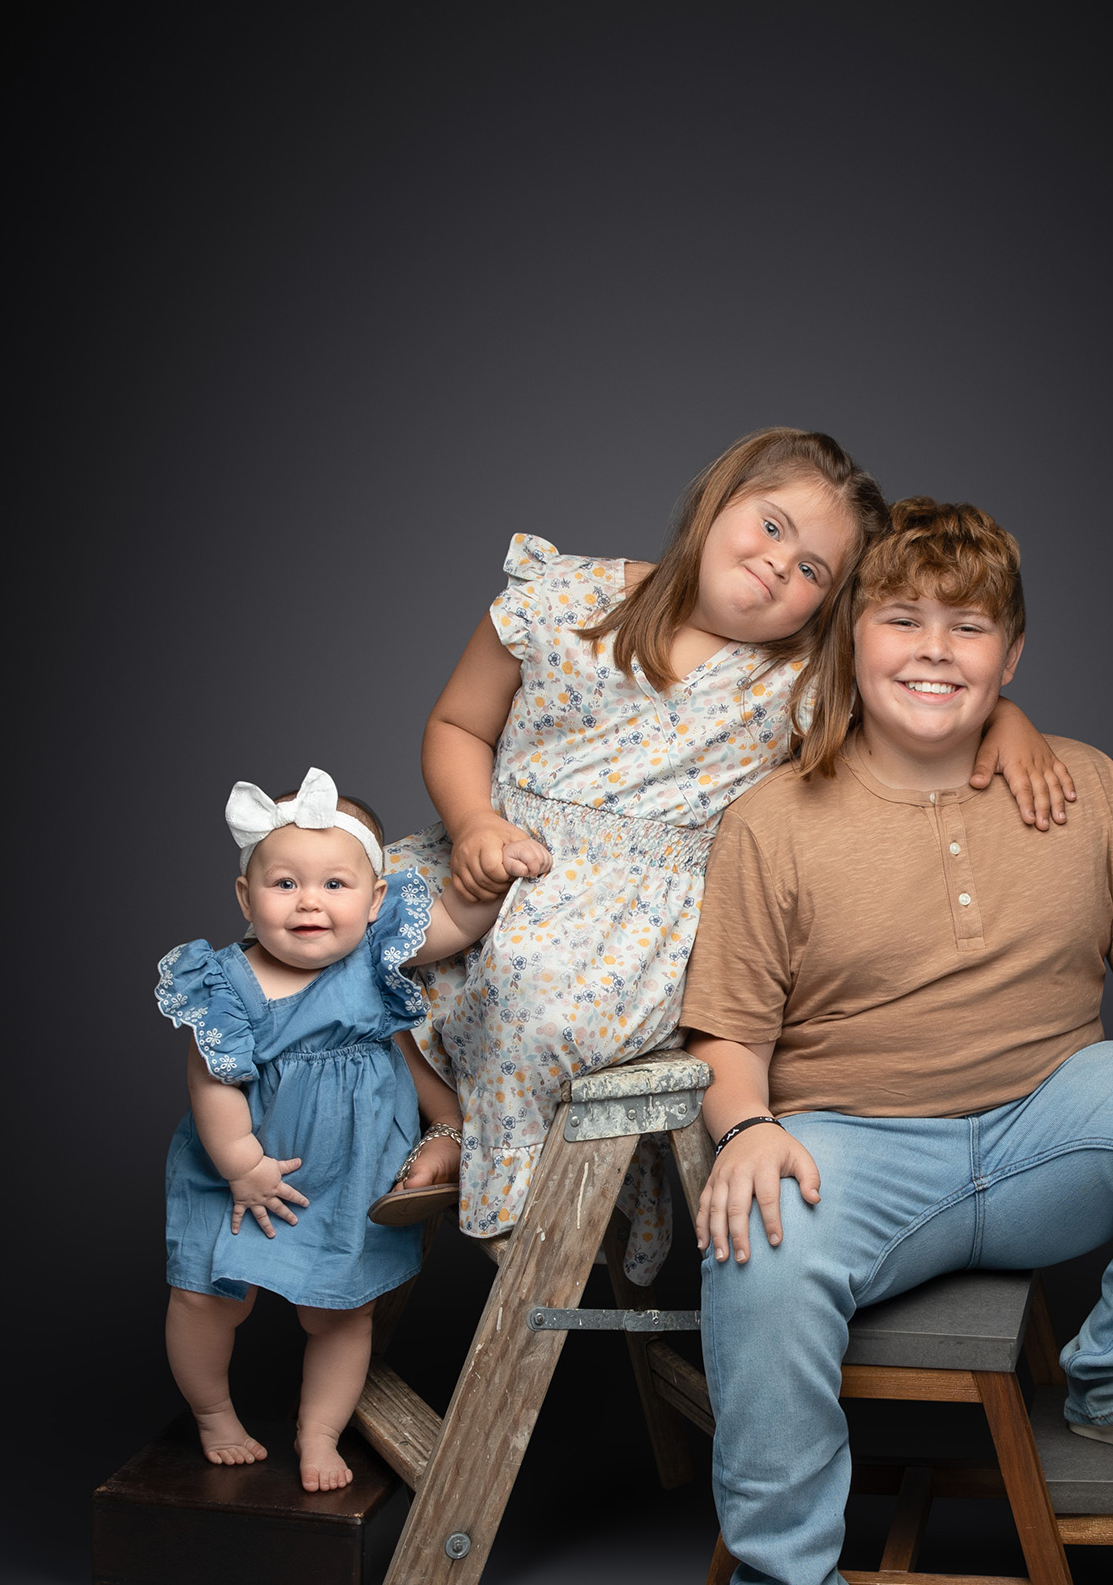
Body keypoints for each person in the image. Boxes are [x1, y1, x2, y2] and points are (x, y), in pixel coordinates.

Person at [681, 498, 1113, 1585]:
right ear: (851, 639)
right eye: (900, 618)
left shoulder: (1083, 785)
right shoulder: (772, 818)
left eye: (968, 627)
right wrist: (746, 1125)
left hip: (1043, 1131)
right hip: (852, 1148)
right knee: (755, 1249)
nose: (932, 649)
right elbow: (728, 1031)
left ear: (1008, 658)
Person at [385, 429, 1075, 1282]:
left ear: (827, 608)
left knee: (539, 1001)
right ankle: (444, 1120)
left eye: (815, 570)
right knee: (328, 929)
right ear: (718, 502)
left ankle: (507, 1191)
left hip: (618, 930)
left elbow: (926, 692)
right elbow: (458, 725)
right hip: (490, 853)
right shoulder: (564, 598)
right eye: (773, 527)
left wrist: (1010, 720)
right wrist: (474, 819)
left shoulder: (798, 684)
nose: (784, 565)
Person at [155, 767, 549, 1489]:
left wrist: (497, 876)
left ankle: (320, 1434)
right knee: (203, 1298)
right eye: (285, 885)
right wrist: (242, 1164)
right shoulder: (229, 982)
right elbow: (212, 1083)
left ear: (374, 902)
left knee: (341, 1313)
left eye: (335, 885)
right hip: (240, 1175)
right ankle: (213, 1412)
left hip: (350, 1173)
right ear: (247, 896)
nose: (309, 902)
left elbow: (459, 920)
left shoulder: (374, 955)